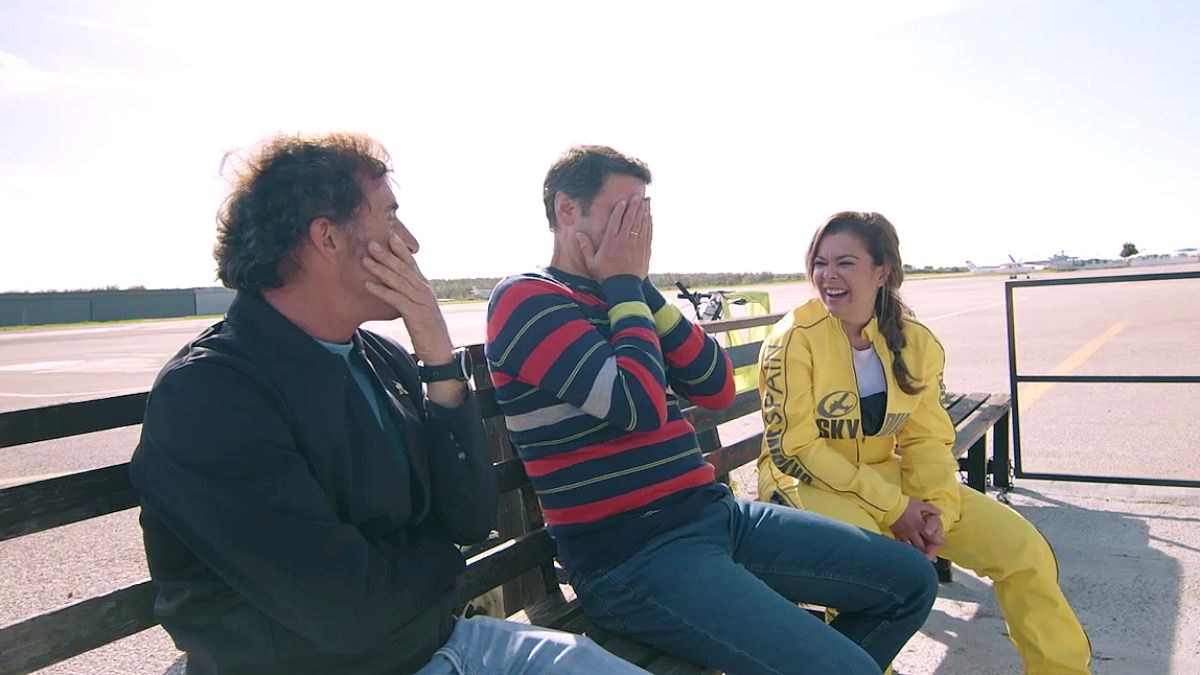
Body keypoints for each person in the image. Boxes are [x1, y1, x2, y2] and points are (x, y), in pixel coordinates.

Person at [129, 133, 648, 675]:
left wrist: (439, 360)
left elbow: (470, 519)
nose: (411, 243)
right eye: (389, 216)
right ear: (328, 237)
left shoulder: (381, 358)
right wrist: (441, 562)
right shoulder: (210, 396)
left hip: (442, 642)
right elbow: (348, 610)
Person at [484, 146, 939, 674]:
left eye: (643, 215)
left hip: (714, 515)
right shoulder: (528, 299)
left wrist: (637, 287)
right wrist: (625, 283)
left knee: (910, 582)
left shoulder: (626, 294)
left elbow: (717, 387)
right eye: (622, 213)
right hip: (632, 555)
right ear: (567, 210)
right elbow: (638, 406)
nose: (636, 233)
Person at [757, 211, 1092, 674]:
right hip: (805, 480)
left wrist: (937, 514)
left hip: (881, 477)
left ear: (882, 271)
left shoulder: (914, 341)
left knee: (1022, 549)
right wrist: (896, 509)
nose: (828, 276)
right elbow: (797, 450)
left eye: (845, 263)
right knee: (869, 564)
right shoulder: (793, 339)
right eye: (820, 262)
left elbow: (928, 440)